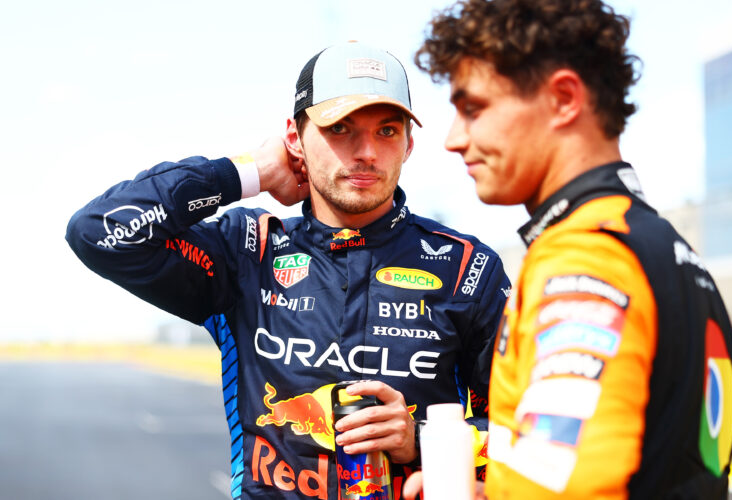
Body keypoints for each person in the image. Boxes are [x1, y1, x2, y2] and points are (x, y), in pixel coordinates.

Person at [65, 41, 510, 500]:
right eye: (340, 127)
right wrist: (249, 173)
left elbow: (532, 435)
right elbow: (99, 231)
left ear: (409, 145)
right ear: (294, 138)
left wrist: (417, 437)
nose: (367, 153)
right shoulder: (246, 250)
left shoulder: (467, 269)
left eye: (387, 131)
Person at [408, 1, 732, 498]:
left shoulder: (587, 255)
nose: (454, 139)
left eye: (473, 108)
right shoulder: (660, 244)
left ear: (564, 98)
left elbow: (567, 487)